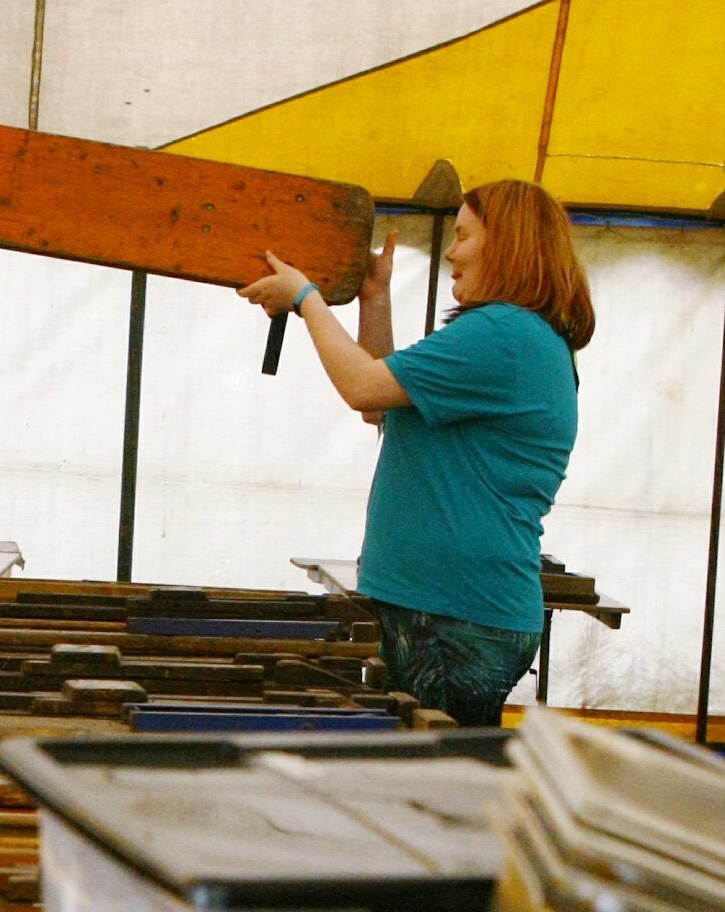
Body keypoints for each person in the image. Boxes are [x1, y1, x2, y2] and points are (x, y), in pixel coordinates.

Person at [239, 179, 594, 727]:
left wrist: (307, 300)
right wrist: (374, 300)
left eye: (463, 236)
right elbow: (380, 404)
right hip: (445, 609)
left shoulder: (503, 335)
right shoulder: (515, 336)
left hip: (452, 615)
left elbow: (360, 387)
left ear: (508, 244)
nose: (451, 253)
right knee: (431, 783)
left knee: (436, 791)